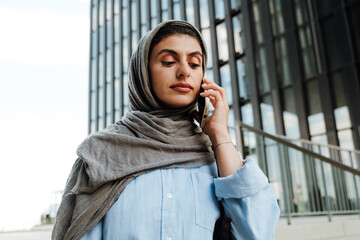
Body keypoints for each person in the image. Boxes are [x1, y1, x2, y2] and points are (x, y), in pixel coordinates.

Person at [52, 20, 280, 240]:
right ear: (143, 72)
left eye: (194, 64)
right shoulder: (100, 155)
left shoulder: (219, 156)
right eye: (169, 62)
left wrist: (220, 135)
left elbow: (257, 233)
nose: (184, 72)